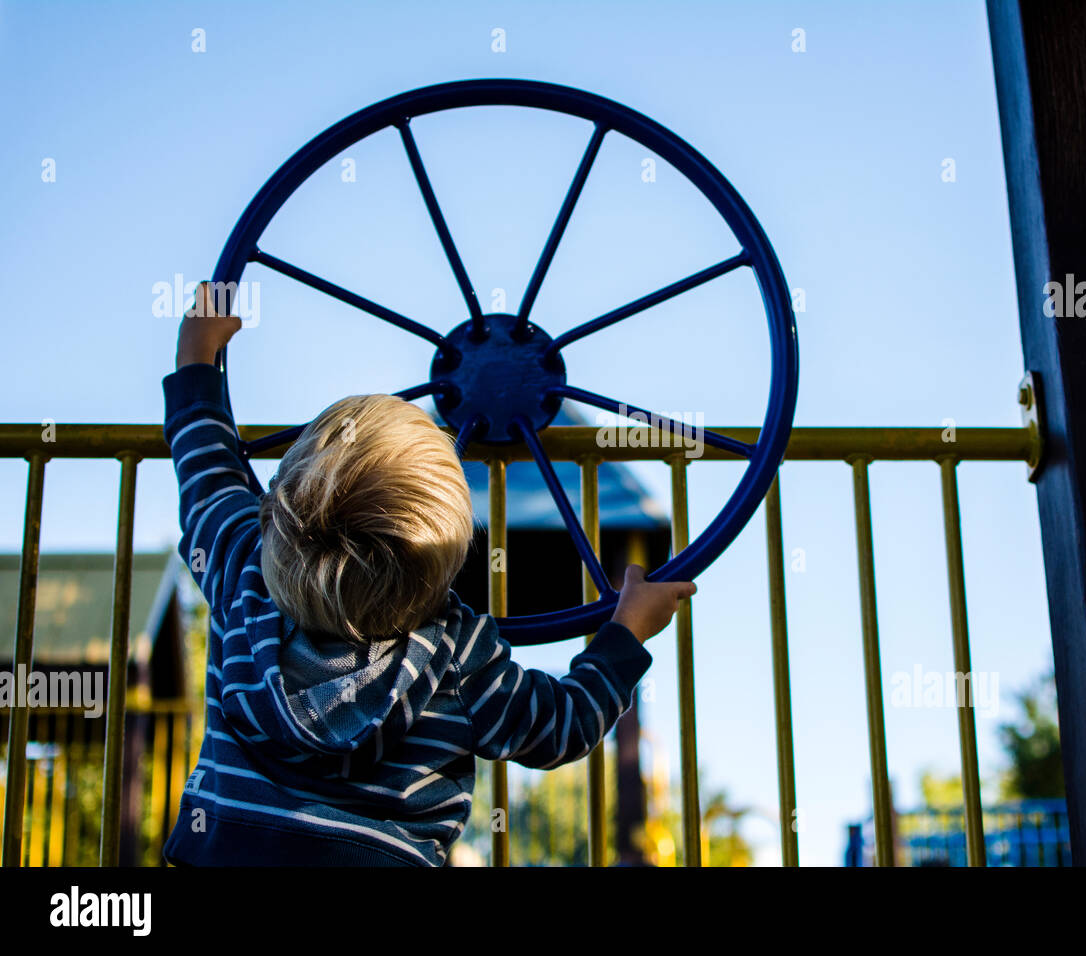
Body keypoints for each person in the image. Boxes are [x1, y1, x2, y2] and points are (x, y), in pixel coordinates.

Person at [162, 282, 695, 866]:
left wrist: (196, 359)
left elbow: (207, 473)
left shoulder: (244, 574)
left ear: (283, 507)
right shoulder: (458, 651)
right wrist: (625, 634)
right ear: (449, 559)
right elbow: (561, 726)